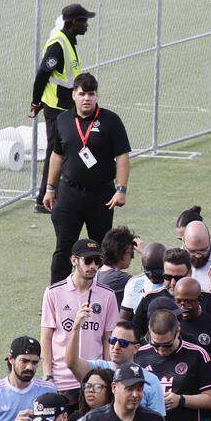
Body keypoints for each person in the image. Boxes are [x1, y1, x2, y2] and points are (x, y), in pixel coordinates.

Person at [41, 73, 131, 284]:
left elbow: (123, 156)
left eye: (91, 94)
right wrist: (50, 188)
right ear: (73, 95)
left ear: (96, 95)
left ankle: (101, 292)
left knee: (101, 248)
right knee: (64, 247)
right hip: (69, 193)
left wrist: (122, 189)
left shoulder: (110, 120)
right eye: (82, 94)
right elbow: (57, 155)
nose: (87, 98)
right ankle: (56, 295)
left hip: (101, 195)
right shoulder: (63, 120)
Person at [30, 4, 94, 214]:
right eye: (83, 21)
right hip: (56, 107)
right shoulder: (58, 44)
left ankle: (55, 195)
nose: (86, 25)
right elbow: (42, 74)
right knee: (55, 151)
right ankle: (43, 200)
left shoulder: (68, 41)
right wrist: (36, 101)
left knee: (64, 150)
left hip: (65, 106)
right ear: (71, 22)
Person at [40, 238, 119, 404]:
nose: (93, 266)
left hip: (94, 379)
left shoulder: (108, 295)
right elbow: (46, 338)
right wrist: (48, 376)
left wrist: (107, 373)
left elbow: (108, 338)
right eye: (88, 260)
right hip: (62, 381)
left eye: (97, 261)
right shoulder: (53, 292)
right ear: (74, 261)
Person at [133, 308, 211, 421]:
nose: (160, 350)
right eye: (155, 344)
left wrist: (181, 399)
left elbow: (210, 399)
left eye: (167, 344)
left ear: (178, 331)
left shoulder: (197, 354)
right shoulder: (139, 355)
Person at [65, 315, 166, 419]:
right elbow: (72, 363)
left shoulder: (151, 380)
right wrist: (76, 328)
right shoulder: (99, 369)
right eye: (113, 340)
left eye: (123, 343)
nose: (116, 347)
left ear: (136, 348)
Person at [95, 226, 137, 306]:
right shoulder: (119, 279)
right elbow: (153, 284)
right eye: (131, 252)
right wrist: (145, 252)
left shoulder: (98, 273)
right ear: (120, 254)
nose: (132, 257)